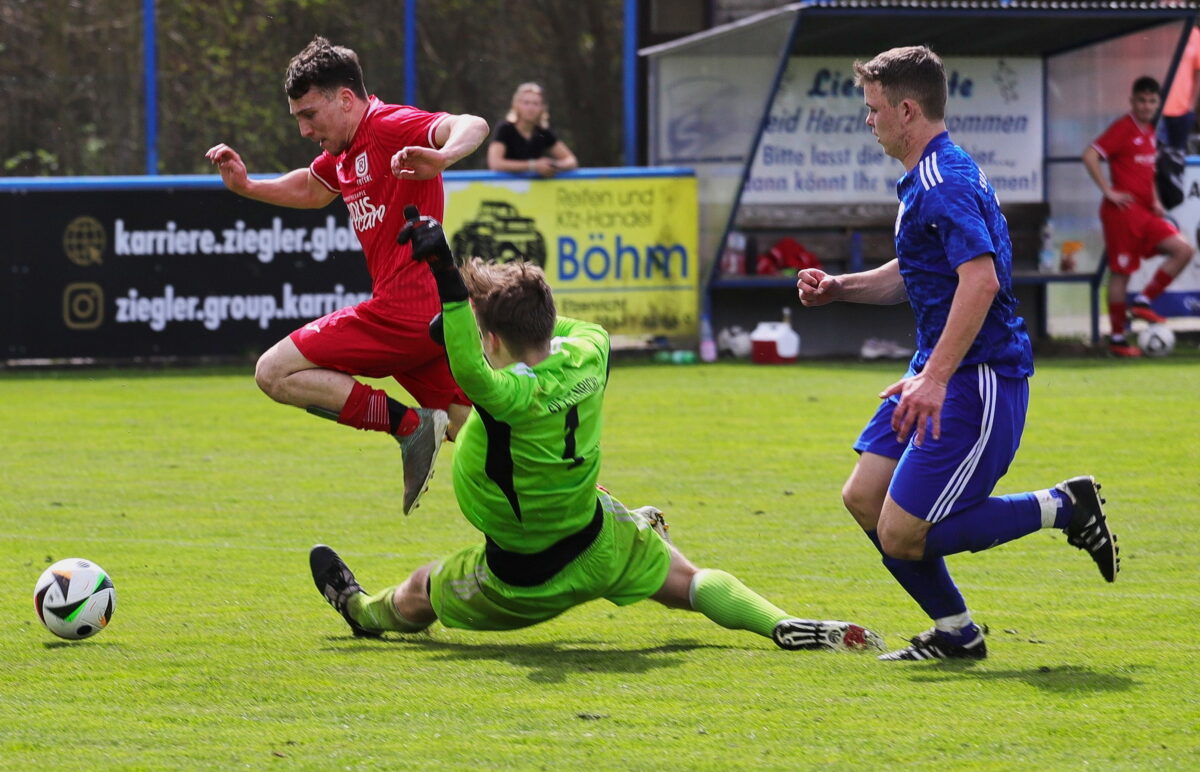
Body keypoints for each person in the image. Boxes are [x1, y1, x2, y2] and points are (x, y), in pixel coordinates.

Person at [309, 207, 884, 654]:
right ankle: (784, 624)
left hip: (520, 580)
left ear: (492, 340)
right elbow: (541, 331)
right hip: (600, 544)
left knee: (421, 590)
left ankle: (360, 611)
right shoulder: (593, 348)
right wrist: (475, 315)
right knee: (691, 582)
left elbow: (469, 372)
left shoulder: (509, 396)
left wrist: (451, 287)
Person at [797, 46, 1119, 661]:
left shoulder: (943, 182)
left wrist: (936, 378)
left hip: (978, 376)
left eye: (873, 110)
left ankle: (1063, 505)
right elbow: (915, 272)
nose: (869, 120)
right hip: (937, 370)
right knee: (864, 497)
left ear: (907, 109)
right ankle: (956, 633)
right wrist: (842, 288)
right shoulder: (928, 174)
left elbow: (981, 282)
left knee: (902, 533)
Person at [205, 36, 489, 513]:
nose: (303, 129)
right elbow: (313, 189)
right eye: (297, 117)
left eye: (309, 114)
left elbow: (471, 124)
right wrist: (248, 186)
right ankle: (616, 516)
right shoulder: (345, 148)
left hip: (405, 312)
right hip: (428, 324)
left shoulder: (389, 124)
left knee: (273, 371)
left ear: (345, 98)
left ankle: (410, 426)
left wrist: (442, 157)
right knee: (486, 436)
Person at [1083, 76, 1195, 357]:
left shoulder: (1150, 132)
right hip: (1121, 213)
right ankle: (1118, 340)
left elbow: (1149, 172)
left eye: (1152, 101)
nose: (1146, 106)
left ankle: (1144, 301)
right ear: (1133, 101)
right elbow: (1090, 155)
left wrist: (1156, 200)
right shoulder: (1123, 128)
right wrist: (1109, 191)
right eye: (1142, 100)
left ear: (1157, 104)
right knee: (1121, 273)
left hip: (1145, 213)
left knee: (1183, 249)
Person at [486, 82, 578, 177]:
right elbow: (495, 163)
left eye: (535, 104)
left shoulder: (543, 132)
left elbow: (571, 161)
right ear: (516, 105)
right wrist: (533, 165)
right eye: (526, 103)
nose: (531, 108)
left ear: (542, 108)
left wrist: (553, 166)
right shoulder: (505, 128)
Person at [1160, 24, 1200, 153]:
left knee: (1176, 160)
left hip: (1182, 111)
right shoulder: (1154, 31)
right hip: (1153, 109)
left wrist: (1192, 107)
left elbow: (1198, 71)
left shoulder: (1194, 34)